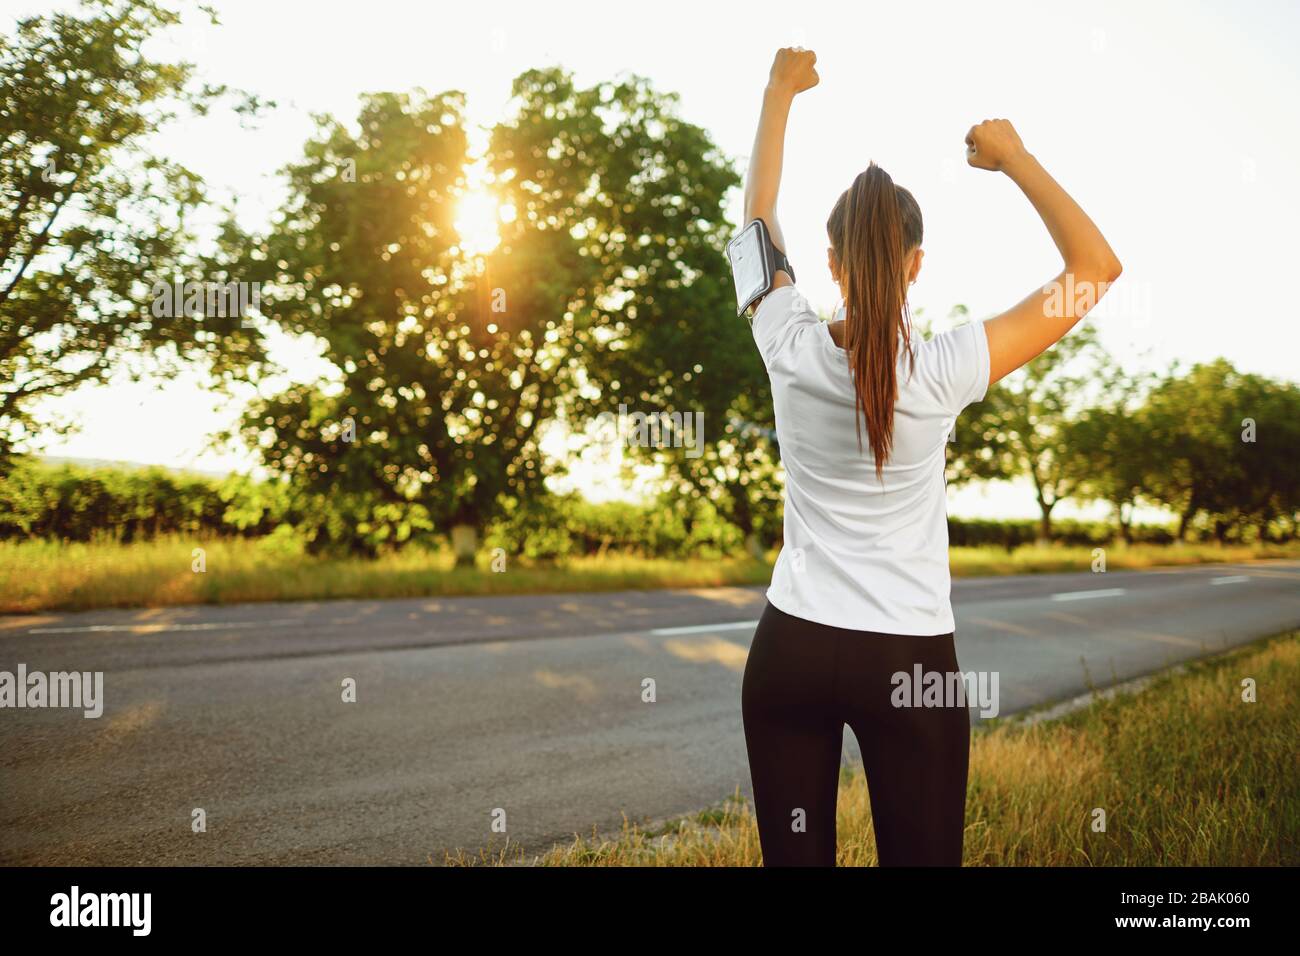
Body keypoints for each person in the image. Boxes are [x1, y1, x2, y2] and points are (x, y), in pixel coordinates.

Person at [739, 47, 1122, 866]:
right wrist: (1015, 159)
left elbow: (755, 219)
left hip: (790, 652)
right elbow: (1094, 271)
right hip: (908, 663)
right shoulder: (945, 368)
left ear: (832, 264)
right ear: (916, 266)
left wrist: (779, 95)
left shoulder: (786, 339)